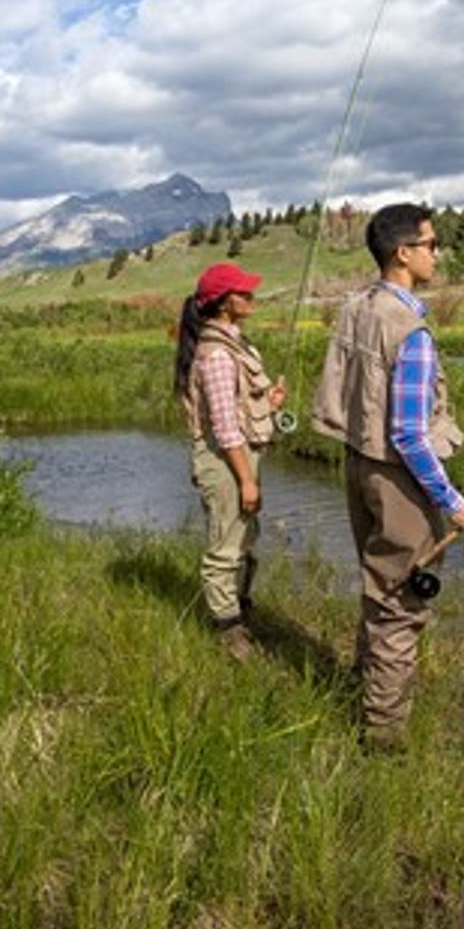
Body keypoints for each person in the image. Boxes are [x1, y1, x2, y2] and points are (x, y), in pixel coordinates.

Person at [312, 204, 464, 749]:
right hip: (397, 482)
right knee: (399, 606)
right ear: (403, 253)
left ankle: (367, 690)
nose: (438, 254)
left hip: (358, 468)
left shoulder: (356, 306)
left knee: (380, 587)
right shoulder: (409, 328)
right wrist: (453, 500)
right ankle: (384, 737)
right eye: (431, 244)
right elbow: (410, 435)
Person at [176, 260, 287, 661]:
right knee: (225, 548)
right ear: (223, 303)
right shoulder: (218, 356)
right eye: (243, 292)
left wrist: (265, 401)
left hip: (236, 459)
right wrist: (248, 481)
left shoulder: (232, 343)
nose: (251, 296)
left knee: (244, 539)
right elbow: (224, 429)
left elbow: (234, 408)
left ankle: (239, 611)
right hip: (226, 462)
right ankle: (229, 631)